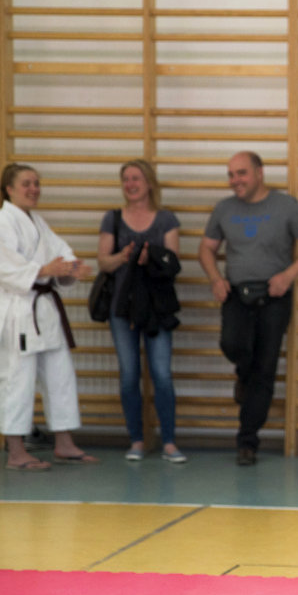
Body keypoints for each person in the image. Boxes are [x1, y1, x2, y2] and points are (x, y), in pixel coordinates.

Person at [198, 151, 298, 466]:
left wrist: (288, 276)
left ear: (259, 173)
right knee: (233, 345)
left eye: (241, 173)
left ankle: (247, 442)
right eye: (231, 175)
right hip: (236, 294)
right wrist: (215, 278)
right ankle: (242, 374)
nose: (235, 180)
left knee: (264, 370)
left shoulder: (285, 206)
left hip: (273, 295)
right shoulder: (224, 209)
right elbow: (206, 249)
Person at [0, 163, 97, 470]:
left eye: (37, 183)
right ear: (9, 189)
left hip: (44, 311)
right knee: (16, 381)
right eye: (27, 184)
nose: (34, 189)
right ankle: (17, 452)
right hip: (17, 311)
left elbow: (61, 254)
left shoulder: (37, 222)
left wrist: (71, 269)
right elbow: (4, 267)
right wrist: (45, 269)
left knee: (60, 375)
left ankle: (64, 444)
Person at [97, 159, 185, 463]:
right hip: (122, 308)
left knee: (162, 374)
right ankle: (136, 440)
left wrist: (152, 258)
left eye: (136, 178)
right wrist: (123, 257)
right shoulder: (112, 218)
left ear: (148, 183)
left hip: (156, 308)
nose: (130, 184)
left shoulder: (166, 219)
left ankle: (169, 442)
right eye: (126, 179)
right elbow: (103, 262)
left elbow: (173, 261)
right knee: (129, 375)